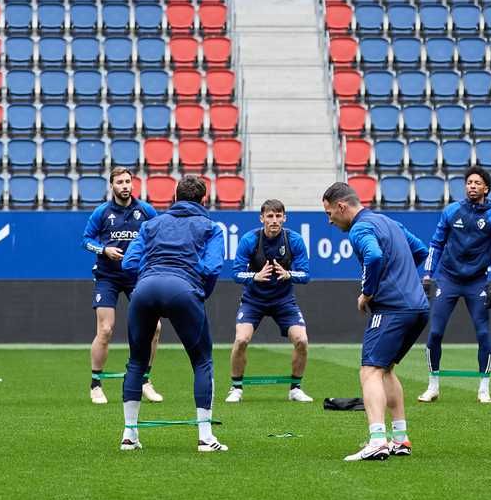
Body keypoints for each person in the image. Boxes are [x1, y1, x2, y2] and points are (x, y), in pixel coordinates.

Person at [118, 176, 229, 452]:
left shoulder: (151, 224)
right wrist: (197, 290)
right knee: (202, 361)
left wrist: (149, 277)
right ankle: (205, 438)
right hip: (183, 289)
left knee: (136, 362)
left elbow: (129, 263)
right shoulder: (211, 227)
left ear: (175, 196)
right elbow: (212, 268)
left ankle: (129, 436)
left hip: (145, 289)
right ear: (203, 200)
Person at [323, 181, 429, 462]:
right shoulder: (389, 222)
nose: (329, 220)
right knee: (386, 370)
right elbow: (420, 251)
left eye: (329, 213)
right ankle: (400, 438)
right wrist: (402, 276)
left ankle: (377, 441)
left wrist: (367, 292)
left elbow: (373, 256)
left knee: (369, 371)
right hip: (419, 307)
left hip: (392, 309)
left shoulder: (359, 229)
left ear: (341, 207)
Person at [420, 168, 491, 405]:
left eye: (477, 183)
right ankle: (432, 386)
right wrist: (427, 276)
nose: (472, 186)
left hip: (477, 282)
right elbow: (436, 244)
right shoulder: (451, 211)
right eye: (469, 182)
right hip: (448, 279)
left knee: (483, 334)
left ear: (486, 189)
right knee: (435, 333)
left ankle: (484, 389)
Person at [83, 167, 162, 405]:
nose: (125, 186)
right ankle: (96, 384)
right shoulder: (102, 212)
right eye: (120, 182)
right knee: (106, 329)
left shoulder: (146, 210)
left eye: (128, 181)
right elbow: (86, 240)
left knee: (155, 328)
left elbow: (159, 236)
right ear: (112, 186)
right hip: (107, 275)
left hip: (137, 276)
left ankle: (145, 380)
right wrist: (103, 250)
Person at [226, 199, 313, 404]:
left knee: (302, 341)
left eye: (278, 216)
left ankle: (295, 388)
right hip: (253, 300)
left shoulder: (294, 240)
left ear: (284, 218)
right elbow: (236, 273)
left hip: (284, 301)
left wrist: (289, 274)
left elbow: (306, 275)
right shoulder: (249, 240)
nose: (274, 220)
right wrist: (255, 276)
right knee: (241, 340)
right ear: (262, 218)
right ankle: (236, 388)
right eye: (270, 216)